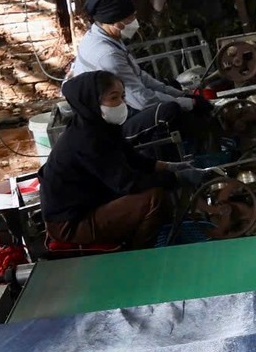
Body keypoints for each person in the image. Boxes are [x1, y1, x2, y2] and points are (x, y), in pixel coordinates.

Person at [39, 71, 203, 250]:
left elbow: (134, 159)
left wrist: (171, 166)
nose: (122, 104)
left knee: (156, 187)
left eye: (123, 96)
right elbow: (127, 183)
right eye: (114, 98)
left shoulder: (100, 127)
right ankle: (138, 254)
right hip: (70, 223)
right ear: (92, 101)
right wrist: (176, 177)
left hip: (91, 204)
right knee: (153, 198)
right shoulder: (86, 139)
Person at [65, 0, 209, 159]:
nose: (135, 21)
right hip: (109, 121)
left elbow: (141, 77)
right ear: (115, 21)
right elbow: (141, 99)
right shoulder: (107, 55)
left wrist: (183, 94)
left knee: (171, 87)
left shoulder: (105, 36)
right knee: (169, 111)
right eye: (130, 18)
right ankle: (175, 164)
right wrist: (187, 104)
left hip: (123, 100)